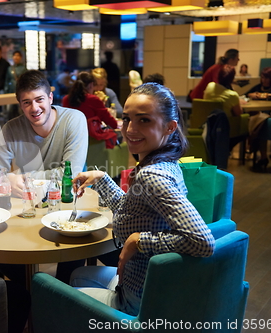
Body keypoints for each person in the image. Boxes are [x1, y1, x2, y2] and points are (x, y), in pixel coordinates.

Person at [68, 82, 215, 316]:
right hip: (152, 283)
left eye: (144, 120)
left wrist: (139, 241)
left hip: (139, 300)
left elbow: (202, 241)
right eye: (127, 119)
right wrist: (102, 178)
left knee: (53, 290)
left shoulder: (151, 175)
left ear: (170, 127)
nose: (130, 129)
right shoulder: (164, 161)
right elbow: (132, 212)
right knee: (76, 275)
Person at [0, 69, 88, 198]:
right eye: (27, 102)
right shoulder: (11, 128)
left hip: (72, 197)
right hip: (31, 201)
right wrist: (9, 179)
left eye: (39, 99)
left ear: (50, 98)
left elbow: (70, 175)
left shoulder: (74, 119)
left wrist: (23, 177)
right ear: (20, 105)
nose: (34, 108)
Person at [62, 72, 118, 148]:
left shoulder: (66, 99)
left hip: (71, 141)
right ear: (91, 85)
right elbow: (112, 123)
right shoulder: (93, 99)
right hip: (91, 142)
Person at [6, 51, 27, 119]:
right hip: (10, 92)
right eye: (14, 55)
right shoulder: (10, 69)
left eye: (18, 55)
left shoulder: (24, 69)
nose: (16, 57)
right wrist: (6, 91)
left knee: (20, 111)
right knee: (9, 111)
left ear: (21, 57)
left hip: (20, 92)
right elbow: (7, 80)